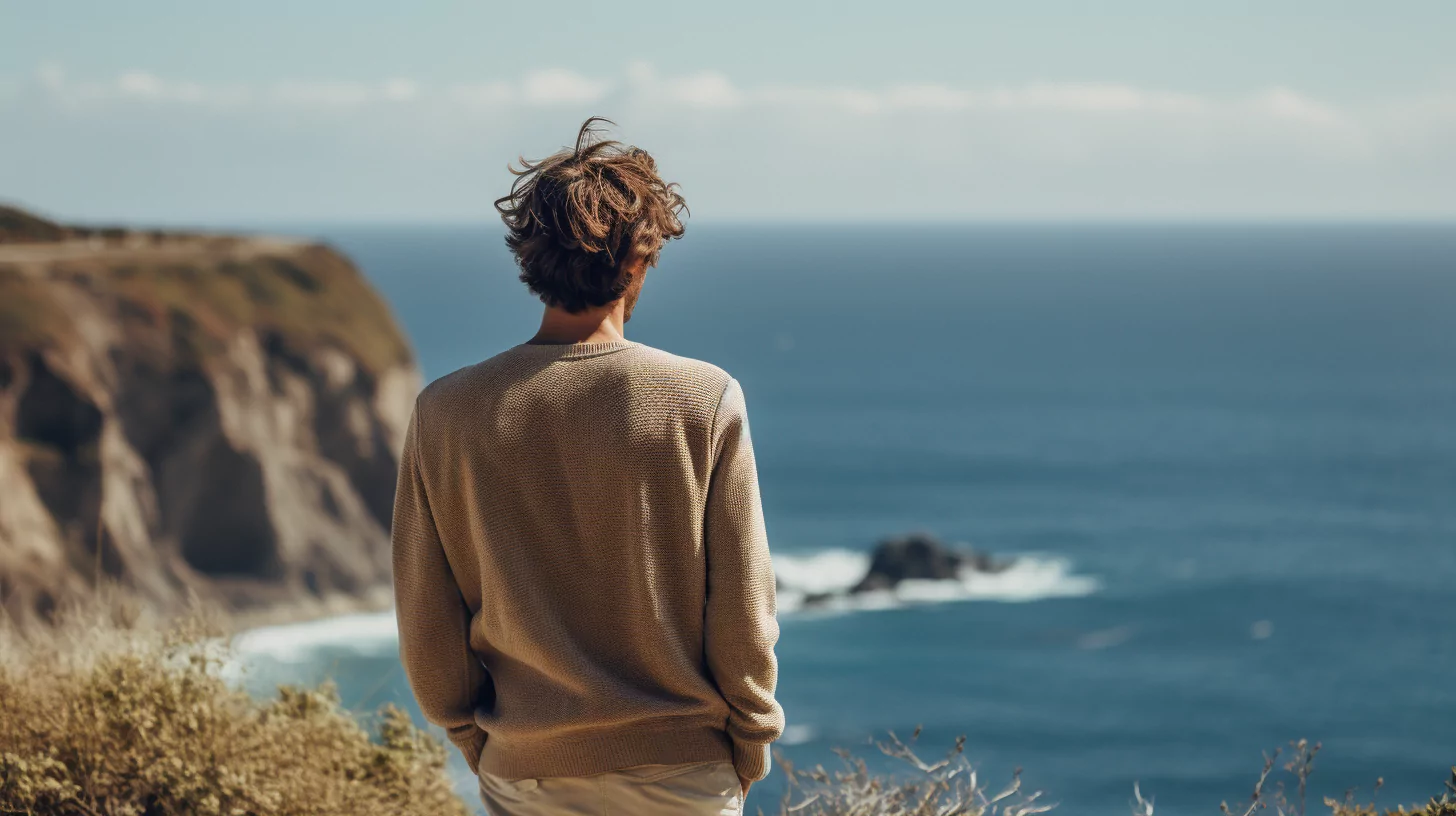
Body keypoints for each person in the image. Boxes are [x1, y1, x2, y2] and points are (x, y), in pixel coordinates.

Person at [391, 117, 784, 815]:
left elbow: (428, 620)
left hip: (527, 775)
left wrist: (472, 736)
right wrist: (749, 743)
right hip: (684, 772)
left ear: (528, 257)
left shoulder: (446, 411)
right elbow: (742, 614)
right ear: (640, 258)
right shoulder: (704, 398)